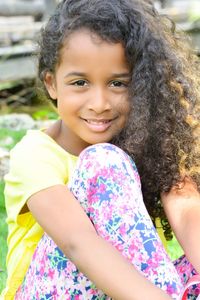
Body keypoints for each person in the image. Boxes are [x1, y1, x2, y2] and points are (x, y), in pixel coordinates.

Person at [1, 0, 200, 299]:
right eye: (80, 82)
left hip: (139, 288)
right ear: (51, 84)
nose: (99, 103)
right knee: (104, 161)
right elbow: (76, 241)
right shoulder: (35, 154)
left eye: (118, 83)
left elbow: (187, 213)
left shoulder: (151, 141)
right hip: (50, 291)